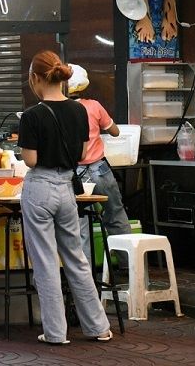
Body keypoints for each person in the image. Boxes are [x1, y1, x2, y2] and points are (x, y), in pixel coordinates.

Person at [18, 50, 112, 345]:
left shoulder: (32, 115)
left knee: (46, 262)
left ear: (35, 79)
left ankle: (56, 333)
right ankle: (98, 327)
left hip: (40, 188)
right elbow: (83, 154)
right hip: (67, 189)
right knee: (77, 257)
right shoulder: (80, 111)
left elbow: (30, 160)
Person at [67, 64, 131, 263]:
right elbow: (115, 132)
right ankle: (130, 265)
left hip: (76, 175)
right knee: (115, 215)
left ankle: (84, 277)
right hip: (100, 170)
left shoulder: (61, 110)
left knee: (80, 223)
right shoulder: (94, 106)